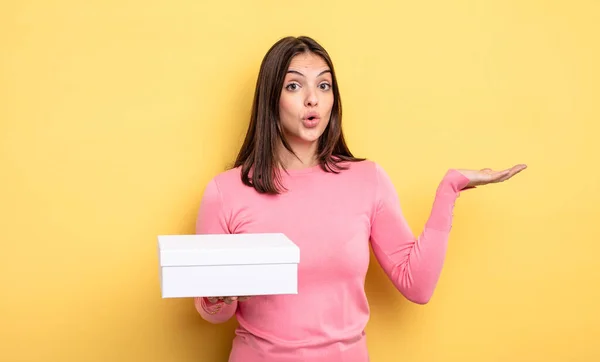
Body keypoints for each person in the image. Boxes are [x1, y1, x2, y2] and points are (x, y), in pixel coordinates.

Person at [192, 35, 526, 362]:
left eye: (324, 86)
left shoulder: (368, 180)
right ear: (271, 99)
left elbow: (417, 286)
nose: (313, 99)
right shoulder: (227, 192)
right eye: (294, 86)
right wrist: (219, 296)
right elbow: (215, 314)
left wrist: (449, 190)